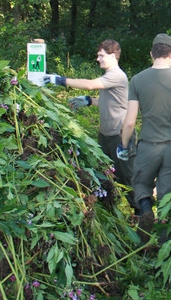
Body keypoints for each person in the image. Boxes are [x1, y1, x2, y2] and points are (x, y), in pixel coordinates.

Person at [118, 33, 171, 240]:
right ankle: (164, 243)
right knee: (167, 196)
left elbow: (130, 121)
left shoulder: (137, 80)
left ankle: (145, 209)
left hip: (148, 146)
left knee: (140, 182)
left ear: (152, 54)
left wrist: (123, 146)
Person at [43, 39, 135, 206]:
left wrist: (60, 80)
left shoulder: (116, 75)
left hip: (119, 135)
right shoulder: (108, 76)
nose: (98, 59)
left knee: (126, 177)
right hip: (106, 135)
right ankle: (111, 209)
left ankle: (141, 213)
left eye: (101, 56)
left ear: (112, 56)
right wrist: (89, 101)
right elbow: (111, 102)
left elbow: (90, 85)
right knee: (106, 175)